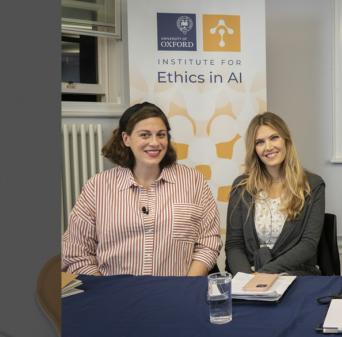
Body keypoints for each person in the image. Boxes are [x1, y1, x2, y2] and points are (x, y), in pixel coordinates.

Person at [61, 102, 222, 276]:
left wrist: (185, 288)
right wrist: (107, 295)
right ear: (126, 139)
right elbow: (77, 254)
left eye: (161, 135)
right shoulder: (97, 187)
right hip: (114, 296)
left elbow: (208, 242)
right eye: (144, 135)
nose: (155, 143)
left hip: (178, 293)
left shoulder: (194, 181)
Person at [225, 112, 325, 276]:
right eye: (260, 142)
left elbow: (308, 244)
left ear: (286, 139)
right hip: (249, 274)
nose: (268, 147)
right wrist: (246, 278)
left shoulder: (312, 185)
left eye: (274, 138)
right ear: (254, 148)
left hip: (296, 273)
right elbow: (234, 245)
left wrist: (265, 273)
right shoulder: (241, 186)